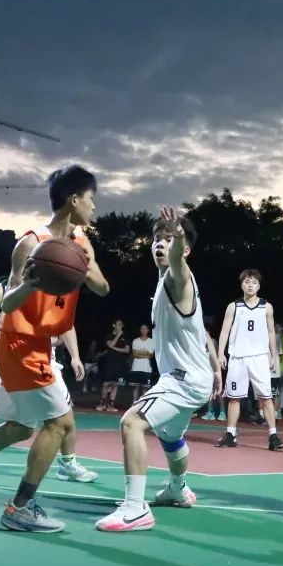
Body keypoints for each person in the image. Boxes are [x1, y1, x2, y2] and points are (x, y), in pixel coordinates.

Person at [0, 164, 109, 533]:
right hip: (19, 343)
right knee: (60, 423)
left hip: (40, 344)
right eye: (91, 199)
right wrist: (29, 284)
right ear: (73, 199)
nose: (94, 207)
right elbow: (8, 303)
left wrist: (86, 268)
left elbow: (103, 288)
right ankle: (20, 507)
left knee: (18, 428)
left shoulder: (81, 243)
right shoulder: (31, 243)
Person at [95, 208, 222, 532]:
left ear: (184, 249)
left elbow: (178, 263)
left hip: (182, 380)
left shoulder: (179, 279)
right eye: (156, 239)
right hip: (191, 378)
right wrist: (214, 367)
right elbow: (199, 332)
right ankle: (179, 489)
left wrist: (177, 239)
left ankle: (135, 509)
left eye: (168, 239)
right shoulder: (165, 283)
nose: (160, 244)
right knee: (171, 438)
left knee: (132, 423)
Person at [0, 281, 97, 483]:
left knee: (65, 414)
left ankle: (67, 463)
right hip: (8, 359)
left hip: (44, 361)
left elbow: (66, 325)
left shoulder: (53, 289)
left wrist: (75, 356)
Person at [215, 269, 283, 450]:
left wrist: (273, 355)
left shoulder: (266, 307)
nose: (250, 285)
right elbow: (224, 331)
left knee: (266, 397)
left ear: (259, 286)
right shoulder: (233, 306)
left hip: (259, 357)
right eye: (247, 282)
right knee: (234, 398)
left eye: (254, 282)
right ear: (241, 285)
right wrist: (221, 353)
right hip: (237, 357)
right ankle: (230, 435)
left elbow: (271, 332)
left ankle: (273, 436)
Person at [97, 319, 129, 412]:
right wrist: (118, 335)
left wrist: (114, 348)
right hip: (108, 363)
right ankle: (103, 403)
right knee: (106, 384)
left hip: (119, 364)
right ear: (114, 325)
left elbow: (127, 350)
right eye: (118, 324)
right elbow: (110, 344)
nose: (120, 326)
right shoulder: (109, 336)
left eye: (121, 324)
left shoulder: (125, 337)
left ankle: (111, 405)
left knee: (115, 384)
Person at [128, 324, 155, 404]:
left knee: (145, 388)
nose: (143, 330)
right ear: (140, 330)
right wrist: (144, 354)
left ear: (148, 330)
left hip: (147, 368)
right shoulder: (135, 341)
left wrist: (139, 353)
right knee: (135, 387)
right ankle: (134, 402)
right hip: (136, 367)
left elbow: (150, 355)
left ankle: (142, 404)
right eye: (142, 328)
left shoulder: (152, 341)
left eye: (145, 329)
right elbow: (134, 354)